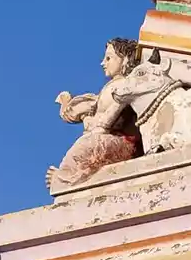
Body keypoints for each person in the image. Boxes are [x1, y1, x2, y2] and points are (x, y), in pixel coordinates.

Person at [53, 38, 176, 189]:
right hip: (101, 136)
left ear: (125, 60)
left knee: (84, 149)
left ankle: (63, 179)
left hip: (120, 140)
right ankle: (65, 178)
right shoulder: (110, 88)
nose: (103, 63)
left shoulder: (125, 86)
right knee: (81, 151)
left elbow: (112, 117)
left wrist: (96, 126)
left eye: (109, 58)